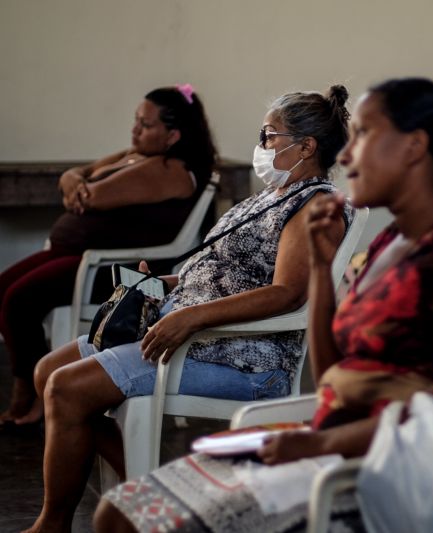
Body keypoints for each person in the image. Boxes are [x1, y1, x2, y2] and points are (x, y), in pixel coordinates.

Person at [91, 77, 433, 533]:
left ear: (414, 147)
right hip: (340, 443)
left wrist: (319, 444)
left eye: (363, 135)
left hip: (398, 478)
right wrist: (320, 271)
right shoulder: (393, 245)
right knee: (117, 511)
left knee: (125, 521)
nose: (344, 154)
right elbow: (334, 375)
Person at [23, 85, 353, 533]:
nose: (261, 145)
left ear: (307, 146)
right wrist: (162, 284)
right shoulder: (267, 199)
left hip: (242, 355)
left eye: (270, 135)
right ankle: (150, 489)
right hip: (189, 333)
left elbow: (287, 294)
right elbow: (224, 269)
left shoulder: (314, 205)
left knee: (66, 390)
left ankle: (53, 524)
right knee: (48, 374)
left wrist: (191, 315)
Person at [0, 85, 217, 426]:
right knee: (4, 288)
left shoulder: (167, 170)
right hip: (77, 254)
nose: (134, 130)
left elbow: (90, 196)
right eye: (136, 121)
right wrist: (74, 178)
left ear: (173, 135)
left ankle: (29, 391)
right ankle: (31, 380)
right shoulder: (139, 157)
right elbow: (73, 177)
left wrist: (80, 182)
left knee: (18, 299)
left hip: (114, 269)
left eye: (145, 125)